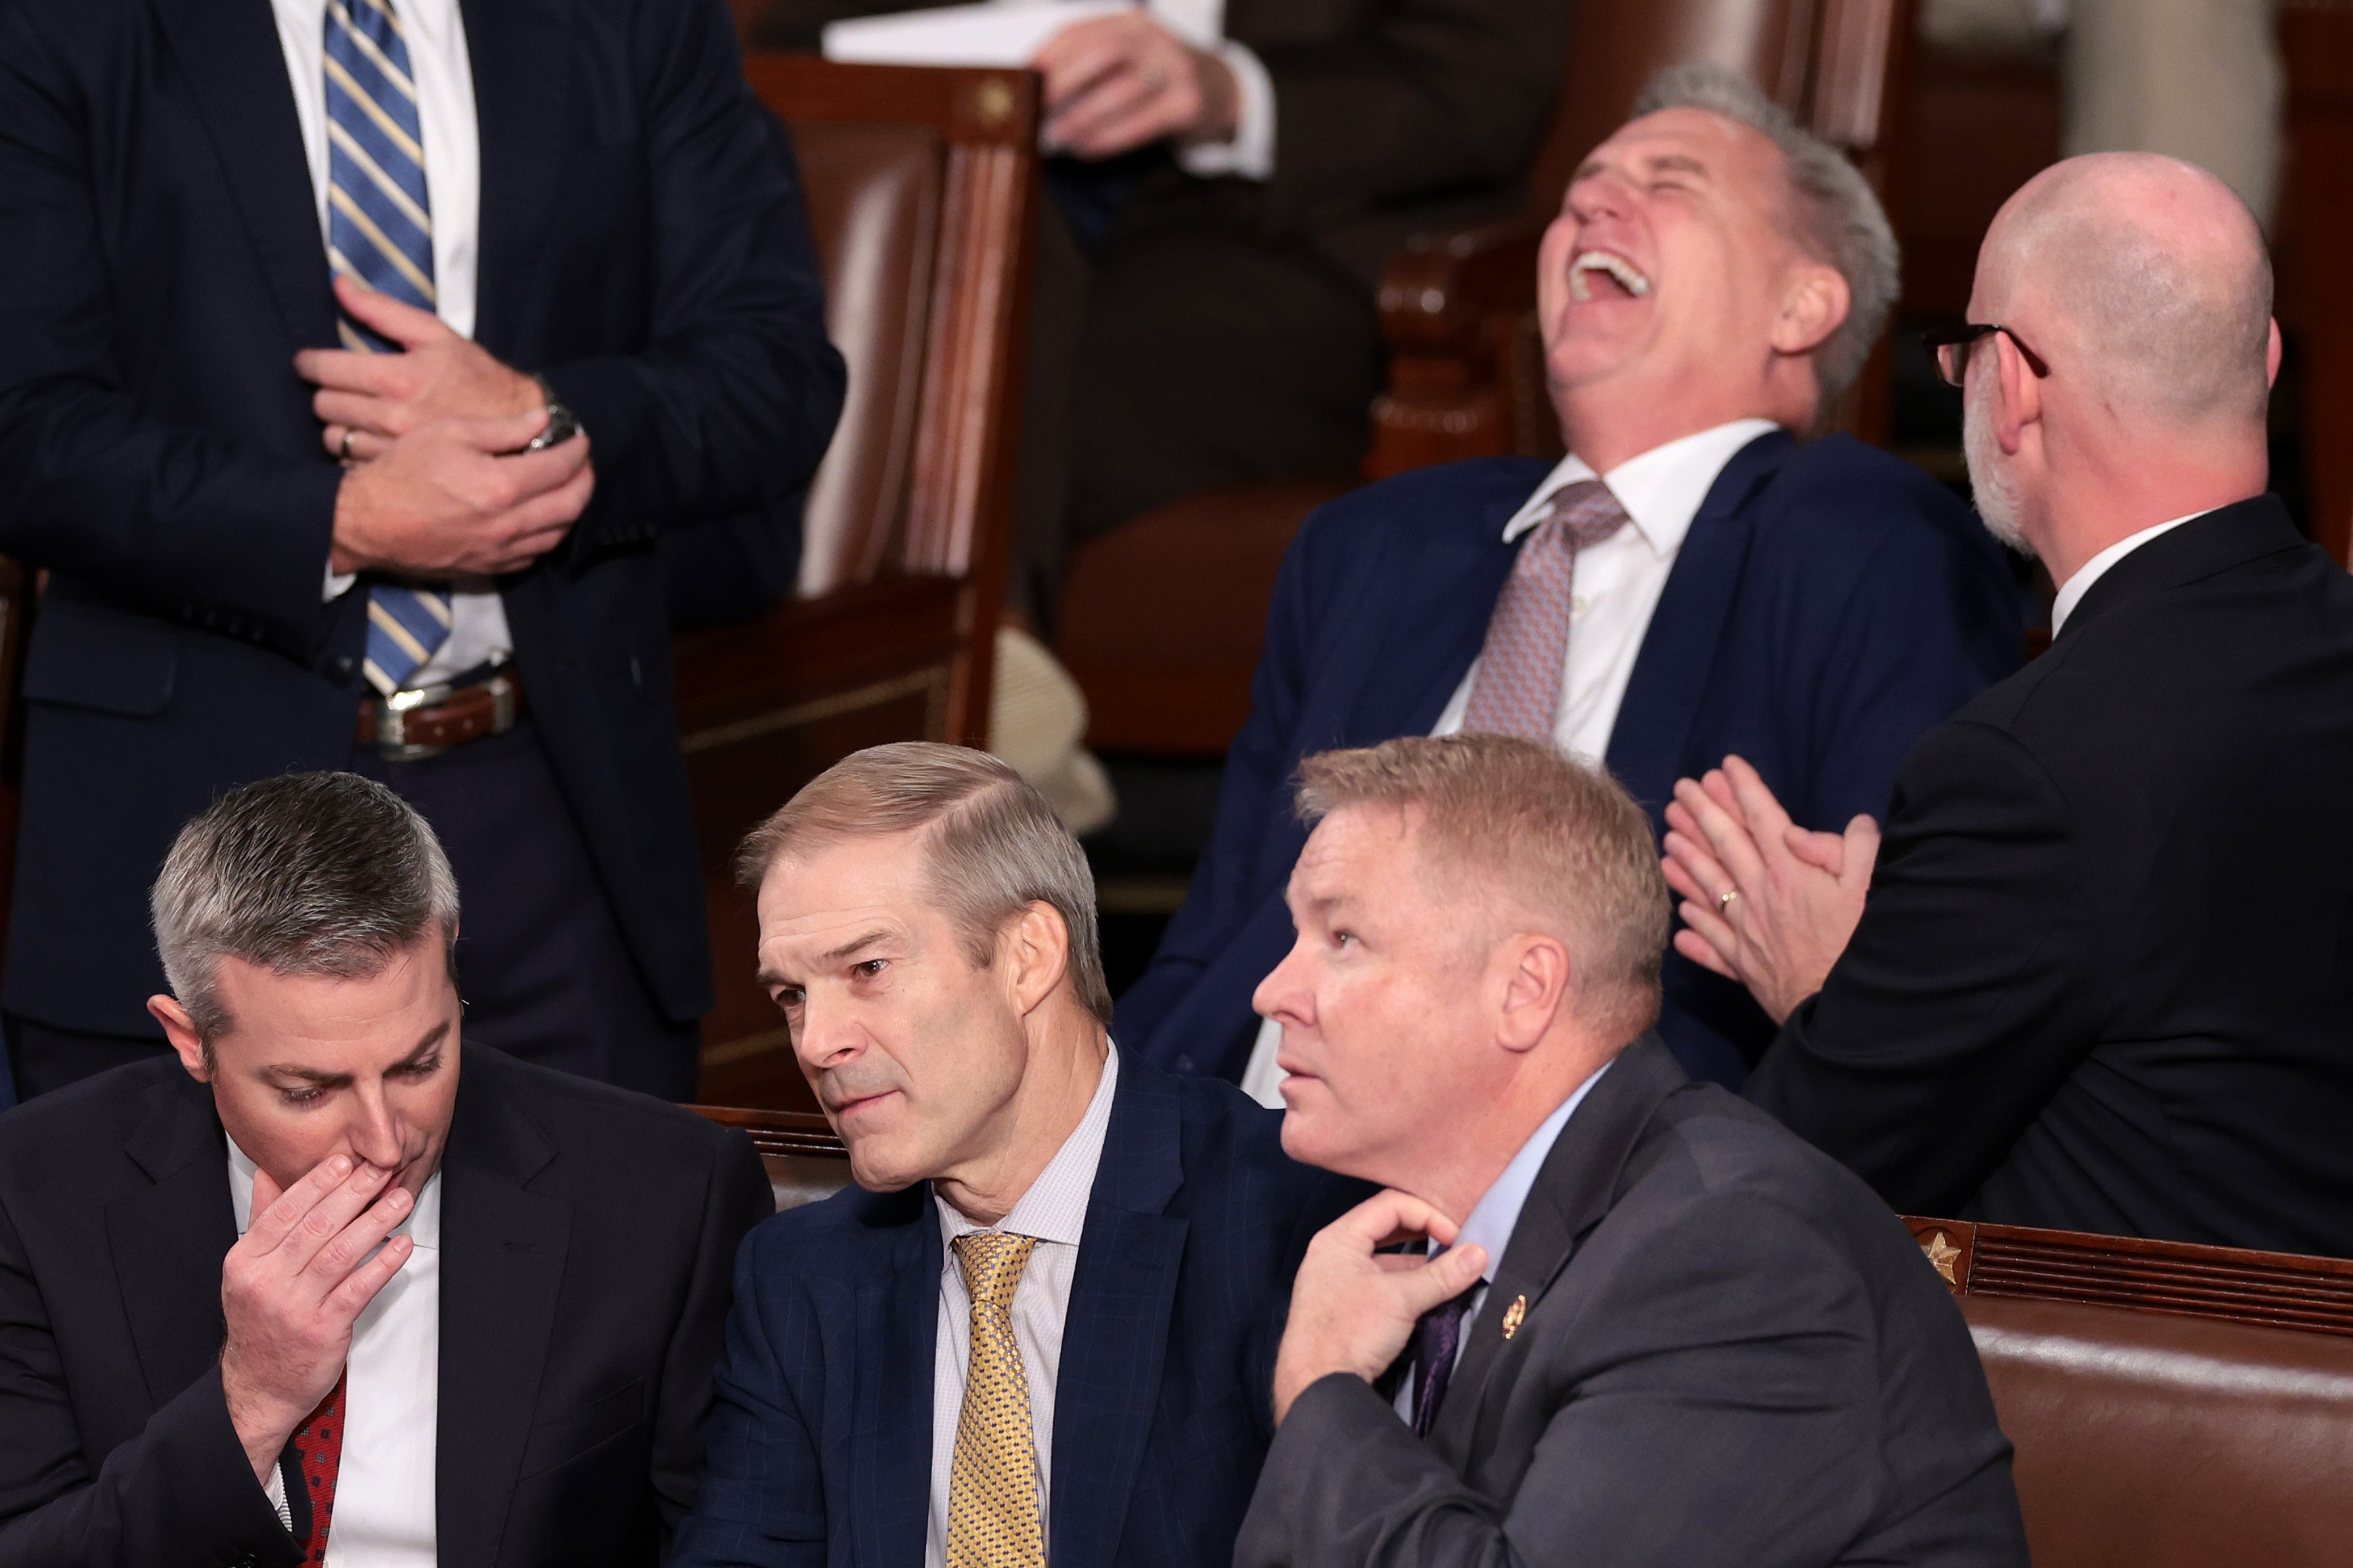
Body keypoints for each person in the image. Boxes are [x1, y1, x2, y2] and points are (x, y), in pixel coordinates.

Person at [1117, 64, 2023, 1097]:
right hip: (1242, 1155)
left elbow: (1890, 980)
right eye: (1582, 186)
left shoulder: (1866, 539)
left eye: (1669, 182)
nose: (1590, 202)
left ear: (1801, 303)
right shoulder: (1373, 541)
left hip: (1575, 1207)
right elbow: (1213, 938)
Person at [0, 0, 845, 1102]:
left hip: (550, 813)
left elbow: (776, 373)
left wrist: (547, 414)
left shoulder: (636, 19)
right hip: (183, 814)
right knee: (156, 1272)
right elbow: (23, 424)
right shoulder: (61, 25)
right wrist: (340, 520)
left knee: (596, 1263)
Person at [1661, 153, 2353, 1257]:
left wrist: (1835, 998)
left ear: (2015, 385)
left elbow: (1784, 1187)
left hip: (2157, 1413)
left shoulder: (2026, 765)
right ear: (2263, 363)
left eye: (1962, 354)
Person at [1232, 734, 2027, 1568]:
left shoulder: (1735, 1253)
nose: (1273, 991)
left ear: (1525, 991)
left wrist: (1324, 1389)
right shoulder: (1414, 1251)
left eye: (1344, 938)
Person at [0, 772, 775, 1566]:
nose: (384, 1139)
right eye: (309, 1089)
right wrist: (252, 1399)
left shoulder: (668, 1193)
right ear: (191, 1040)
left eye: (421, 1062)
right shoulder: (34, 1188)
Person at [669, 743, 1362, 1568]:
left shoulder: (1280, 1218)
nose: (818, 1041)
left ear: (1029, 955)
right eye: (793, 994)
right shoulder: (801, 1280)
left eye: (867, 968)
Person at [755, 0, 1565, 619]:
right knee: (868, 308)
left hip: (1286, 240)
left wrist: (1230, 93)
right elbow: (796, 41)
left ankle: (965, 721)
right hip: (973, 203)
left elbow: (1483, 84)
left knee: (999, 348)